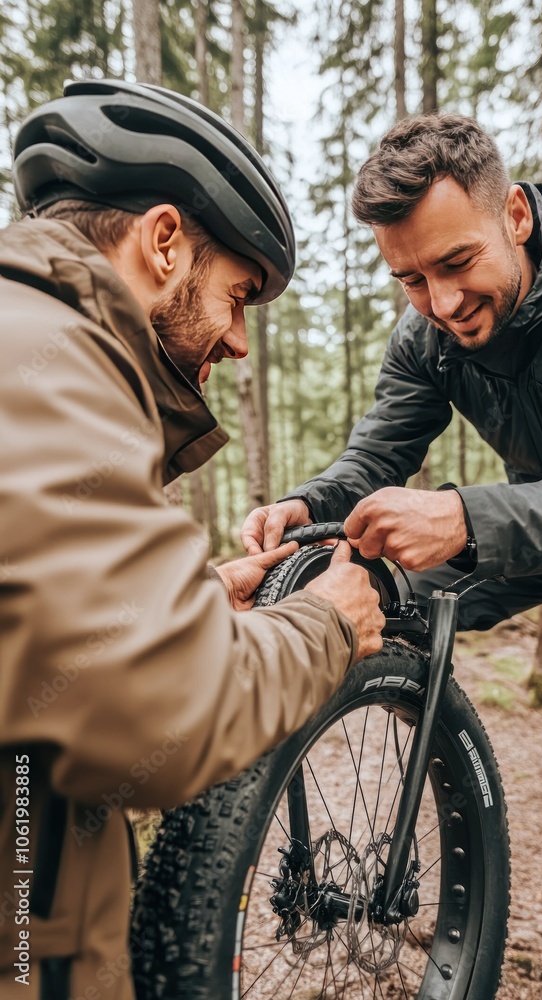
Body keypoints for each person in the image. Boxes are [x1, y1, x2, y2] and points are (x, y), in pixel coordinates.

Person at [243, 112, 542, 999]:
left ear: (514, 214)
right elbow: (373, 458)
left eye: (455, 264)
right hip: (529, 522)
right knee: (357, 594)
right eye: (409, 279)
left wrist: (464, 516)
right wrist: (303, 505)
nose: (439, 303)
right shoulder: (428, 335)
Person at [0, 79, 384, 1000]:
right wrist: (324, 626)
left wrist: (187, 601)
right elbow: (147, 717)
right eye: (238, 294)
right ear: (163, 240)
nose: (241, 342)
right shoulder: (52, 357)